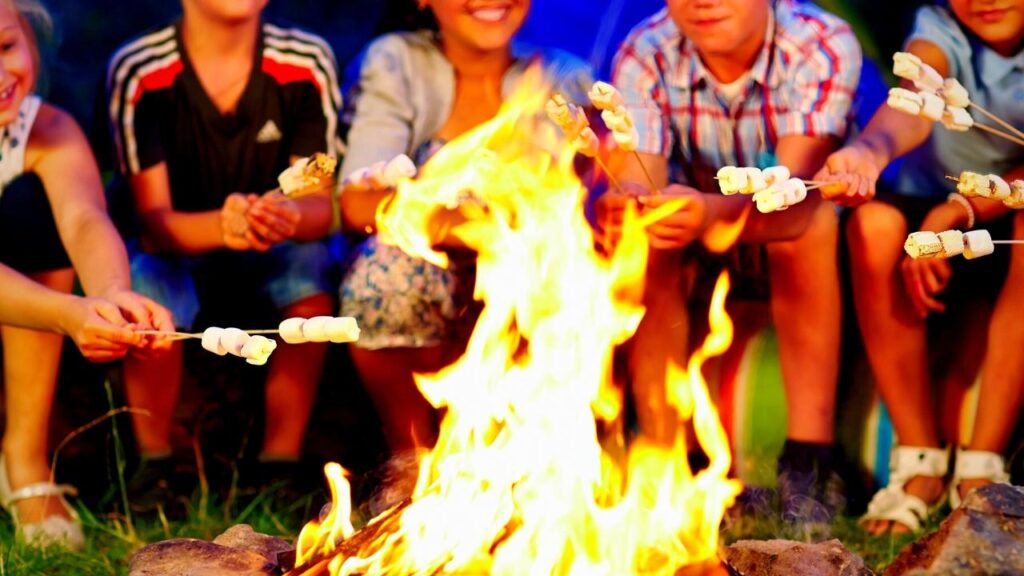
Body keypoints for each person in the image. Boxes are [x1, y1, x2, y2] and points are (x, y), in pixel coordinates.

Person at [604, 0, 861, 522]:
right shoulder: (646, 51)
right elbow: (641, 180)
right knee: (645, 237)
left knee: (809, 227)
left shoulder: (819, 44)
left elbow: (794, 199)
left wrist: (708, 214)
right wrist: (642, 206)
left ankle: (809, 465)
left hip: (803, 234)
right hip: (699, 234)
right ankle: (662, 456)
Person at [105, 0, 341, 499]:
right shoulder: (141, 72)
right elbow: (152, 222)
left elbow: (321, 202)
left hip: (278, 244)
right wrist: (222, 225)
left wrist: (287, 216)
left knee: (311, 276)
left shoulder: (305, 62)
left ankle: (280, 463)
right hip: (183, 241)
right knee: (147, 285)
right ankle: (153, 465)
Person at [338, 0, 592, 456]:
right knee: (383, 276)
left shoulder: (564, 77)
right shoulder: (397, 62)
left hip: (527, 273)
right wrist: (474, 228)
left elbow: (573, 203)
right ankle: (411, 457)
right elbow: (359, 201)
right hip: (428, 268)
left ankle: (534, 459)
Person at [815, 0, 1024, 533]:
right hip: (926, 211)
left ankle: (983, 467)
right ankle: (919, 460)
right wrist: (868, 152)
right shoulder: (941, 30)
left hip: (1000, 222)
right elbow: (916, 99)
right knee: (874, 226)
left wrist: (962, 210)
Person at [0, 0, 174, 549]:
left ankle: (23, 457)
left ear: (30, 38)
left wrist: (110, 294)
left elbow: (83, 218)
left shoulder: (45, 128)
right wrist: (65, 314)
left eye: (6, 47)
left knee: (35, 210)